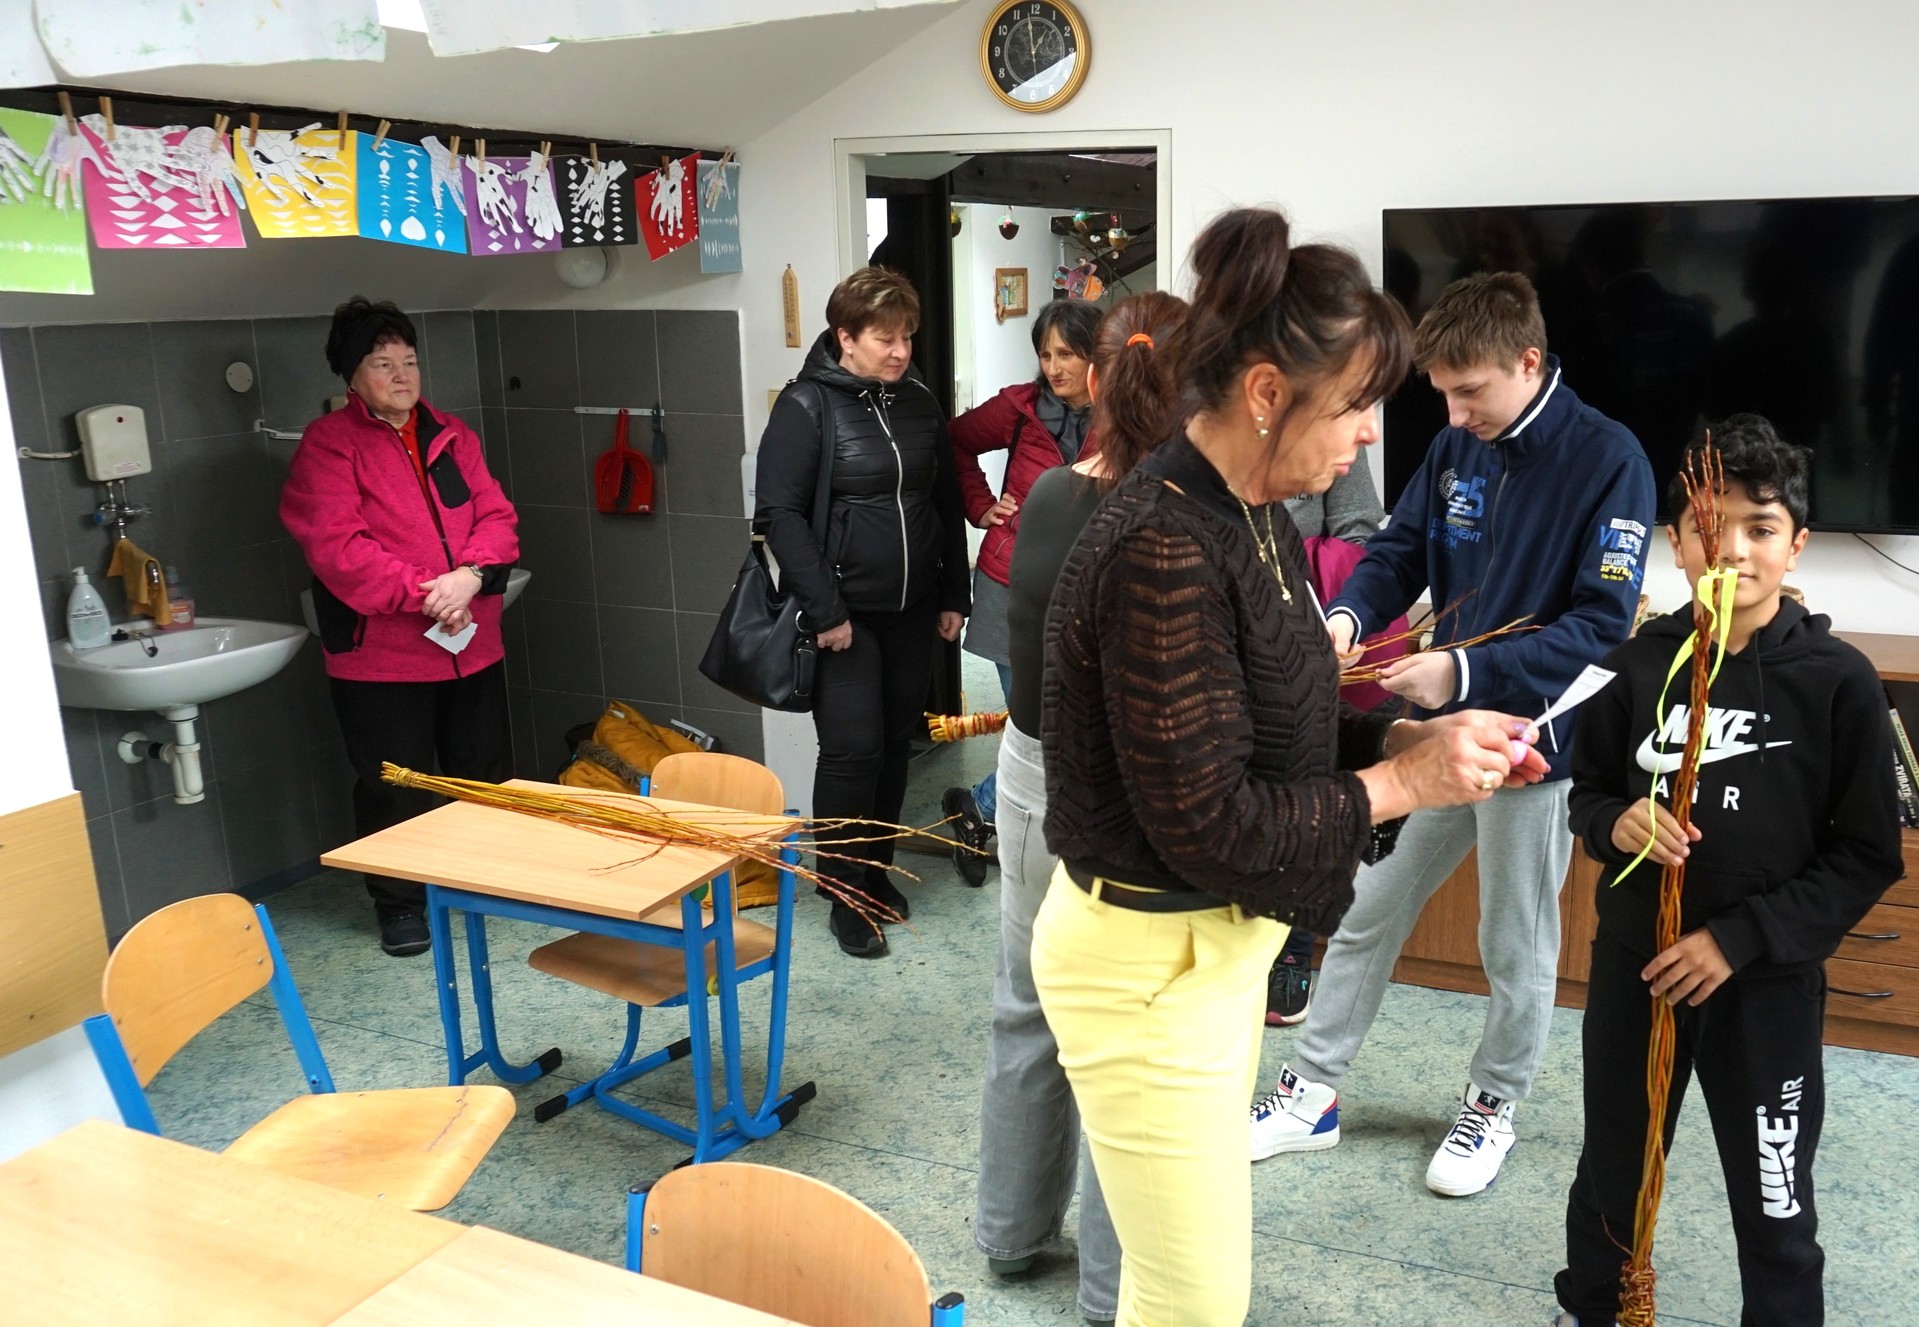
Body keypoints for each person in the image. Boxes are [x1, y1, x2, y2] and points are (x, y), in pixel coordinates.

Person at [1030, 207, 1550, 1327]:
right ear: (1267, 392)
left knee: (1180, 1281)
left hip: (1216, 951)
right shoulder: (1162, 546)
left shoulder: (1251, 514)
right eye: (1356, 403)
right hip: (1144, 969)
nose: (1369, 432)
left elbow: (1278, 719)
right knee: (1194, 1298)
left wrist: (1406, 740)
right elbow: (1212, 818)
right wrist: (1405, 785)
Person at [1250, 271, 1658, 1198]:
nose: (1455, 411)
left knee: (1513, 942)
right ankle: (1310, 1090)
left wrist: (1461, 673)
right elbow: (1398, 551)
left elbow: (1601, 627)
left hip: (1531, 750)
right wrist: (1348, 616)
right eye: (1441, 392)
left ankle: (1492, 1103)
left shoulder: (1610, 459)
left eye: (1470, 390)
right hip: (1443, 740)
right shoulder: (1453, 444)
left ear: (1528, 360)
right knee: (1366, 907)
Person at [1551, 417, 1904, 1326]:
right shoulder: (1633, 665)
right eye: (1708, 527)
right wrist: (1615, 821)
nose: (1733, 550)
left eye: (1759, 527)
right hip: (1637, 973)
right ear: (1675, 542)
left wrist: (1736, 940)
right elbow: (1586, 795)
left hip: (1765, 986)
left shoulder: (1838, 681)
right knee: (1614, 1168)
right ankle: (1597, 1305)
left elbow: (1866, 853)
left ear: (1796, 544)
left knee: (1773, 1191)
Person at [975, 291, 1185, 1324]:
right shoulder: (1179, 515)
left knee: (1027, 1005)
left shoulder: (1054, 493)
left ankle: (1008, 1233)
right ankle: (1110, 1292)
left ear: (1094, 379)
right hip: (1121, 797)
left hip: (1028, 770)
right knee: (1121, 1039)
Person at [281, 297, 520, 958]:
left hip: (471, 642)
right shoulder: (329, 445)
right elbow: (338, 548)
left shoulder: (452, 435)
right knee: (394, 784)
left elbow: (496, 517)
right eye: (382, 363)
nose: (401, 375)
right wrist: (429, 595)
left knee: (482, 772)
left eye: (409, 361)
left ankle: (489, 881)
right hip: (381, 655)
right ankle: (401, 906)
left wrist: (469, 576)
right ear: (352, 376)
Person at [754, 266, 971, 958]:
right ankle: (842, 891)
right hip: (844, 616)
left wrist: (954, 593)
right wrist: (826, 611)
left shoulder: (917, 401)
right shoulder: (806, 405)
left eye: (906, 337)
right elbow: (779, 516)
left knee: (895, 745)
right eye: (885, 338)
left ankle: (874, 872)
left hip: (912, 608)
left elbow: (942, 501)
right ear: (845, 337)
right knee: (852, 752)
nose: (900, 351)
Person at [943, 299, 1105, 885]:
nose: (1054, 367)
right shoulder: (1018, 408)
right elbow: (953, 441)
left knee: (1074, 730)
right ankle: (1016, 835)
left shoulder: (1126, 414)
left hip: (1088, 594)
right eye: (1045, 354)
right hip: (1011, 585)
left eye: (1068, 354)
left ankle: (978, 807)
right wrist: (981, 506)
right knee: (1037, 730)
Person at [1265, 456, 1389, 1025]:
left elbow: (1359, 532)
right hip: (1225, 626)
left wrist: (1334, 612)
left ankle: (1293, 949)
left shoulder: (1335, 431)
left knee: (1309, 792)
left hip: (1311, 627)